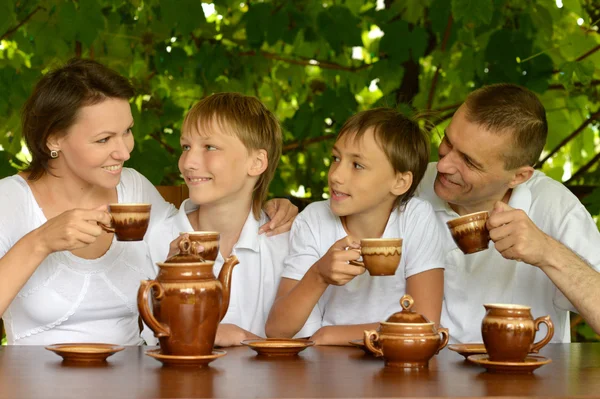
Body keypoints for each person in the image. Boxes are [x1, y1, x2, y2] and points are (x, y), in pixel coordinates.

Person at [0, 59, 295, 345]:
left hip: (134, 384)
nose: (124, 152)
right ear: (54, 140)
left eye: (127, 131)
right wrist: (40, 242)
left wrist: (269, 204)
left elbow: (207, 213)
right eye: (104, 139)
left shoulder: (133, 188)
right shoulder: (9, 201)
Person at [415, 83, 600, 343]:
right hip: (418, 376)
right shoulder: (406, 186)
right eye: (447, 141)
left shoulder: (554, 206)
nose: (443, 165)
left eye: (469, 161)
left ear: (518, 176)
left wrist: (547, 252)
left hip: (525, 382)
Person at [265, 108, 446, 345]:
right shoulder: (314, 219)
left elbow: (425, 326)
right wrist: (318, 275)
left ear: (400, 182)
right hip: (326, 367)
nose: (336, 175)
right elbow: (278, 330)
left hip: (397, 369)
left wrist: (331, 334)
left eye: (357, 165)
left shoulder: (415, 218)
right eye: (336, 158)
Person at [147, 92, 290, 347]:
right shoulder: (153, 238)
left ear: (257, 162)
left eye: (209, 147)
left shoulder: (286, 243)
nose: (187, 162)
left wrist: (244, 339)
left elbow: (307, 349)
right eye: (186, 147)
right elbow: (141, 343)